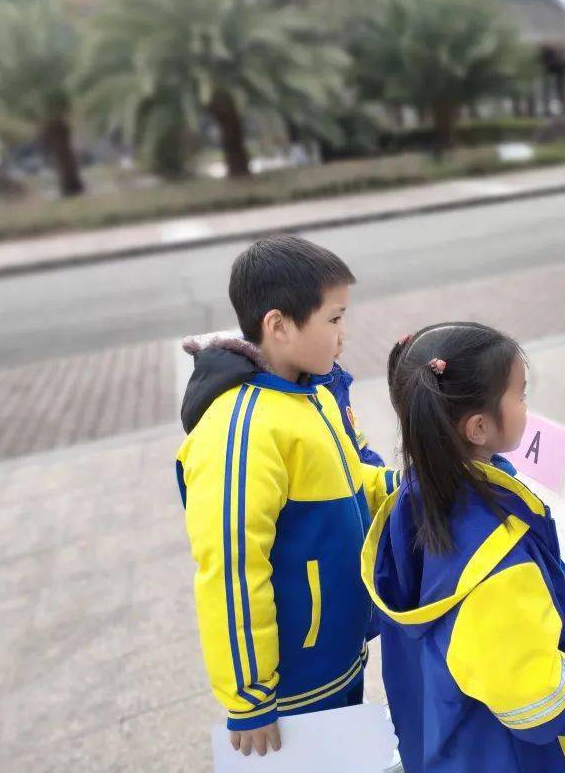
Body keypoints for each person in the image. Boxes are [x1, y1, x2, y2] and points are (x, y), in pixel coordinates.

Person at [363, 322, 565, 772]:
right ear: (478, 427)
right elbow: (536, 695)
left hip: (447, 736)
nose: (526, 406)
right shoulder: (495, 562)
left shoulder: (418, 494)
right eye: (519, 395)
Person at [175, 236, 398, 756]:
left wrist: (412, 488)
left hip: (340, 651)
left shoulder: (312, 393)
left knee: (350, 760)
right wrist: (250, 697)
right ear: (279, 325)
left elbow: (354, 481)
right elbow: (231, 567)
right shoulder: (241, 428)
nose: (344, 335)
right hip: (293, 684)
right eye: (334, 320)